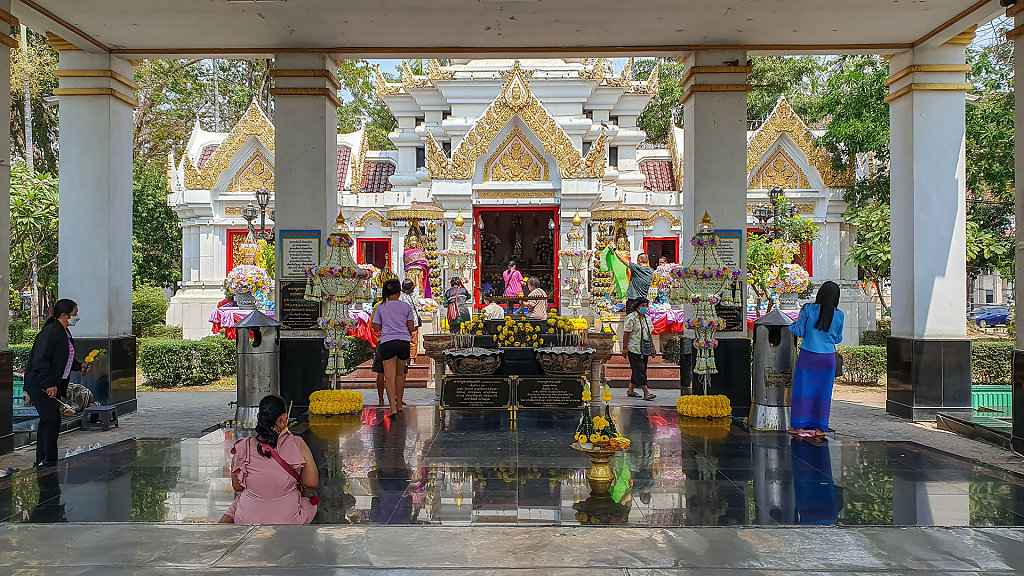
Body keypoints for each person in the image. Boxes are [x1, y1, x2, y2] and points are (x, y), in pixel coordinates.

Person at [220, 395, 319, 525]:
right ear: (284, 418)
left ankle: (220, 531)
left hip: (248, 518)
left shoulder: (242, 447)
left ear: (258, 417)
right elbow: (311, 482)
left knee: (241, 501)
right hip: (287, 520)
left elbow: (238, 486)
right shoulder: (297, 444)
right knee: (310, 505)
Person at [25, 299, 87, 467]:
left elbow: (64, 357)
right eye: (75, 314)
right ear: (64, 315)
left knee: (48, 420)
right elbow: (40, 360)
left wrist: (78, 365)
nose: (77, 317)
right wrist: (48, 384)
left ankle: (43, 459)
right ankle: (49, 460)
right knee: (52, 420)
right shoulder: (50, 333)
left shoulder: (64, 332)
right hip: (41, 385)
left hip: (54, 384)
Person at [788, 281, 844, 438]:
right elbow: (838, 338)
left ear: (820, 293)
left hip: (808, 356)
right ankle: (820, 429)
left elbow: (800, 331)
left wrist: (790, 325)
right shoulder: (839, 314)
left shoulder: (808, 309)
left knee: (802, 390)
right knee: (824, 393)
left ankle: (798, 427)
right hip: (827, 359)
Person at [372, 279, 417, 418]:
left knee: (389, 376)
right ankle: (399, 404)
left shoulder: (380, 307)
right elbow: (411, 327)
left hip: (387, 343)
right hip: (403, 342)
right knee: (400, 374)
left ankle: (392, 407)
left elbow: (376, 327)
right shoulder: (406, 306)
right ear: (399, 292)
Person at [622, 297, 657, 401]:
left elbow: (649, 334)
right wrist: (624, 348)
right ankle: (646, 392)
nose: (644, 308)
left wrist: (653, 347)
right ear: (637, 306)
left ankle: (630, 390)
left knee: (639, 370)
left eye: (646, 306)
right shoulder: (631, 318)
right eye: (642, 306)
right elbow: (626, 334)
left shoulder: (646, 318)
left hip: (644, 348)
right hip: (634, 348)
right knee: (640, 370)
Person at [399, 279, 422, 360]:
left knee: (404, 340)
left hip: (403, 320)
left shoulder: (401, 296)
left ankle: (404, 357)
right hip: (414, 320)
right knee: (413, 339)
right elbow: (417, 286)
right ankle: (412, 358)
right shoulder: (415, 294)